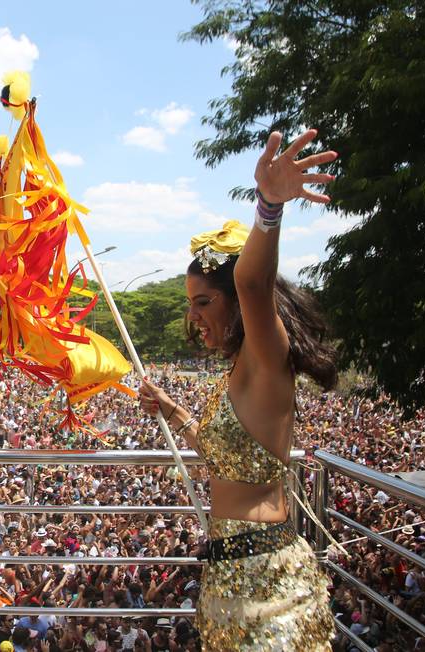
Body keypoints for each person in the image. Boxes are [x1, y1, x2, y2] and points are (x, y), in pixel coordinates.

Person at [139, 129, 339, 650]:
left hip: (269, 584)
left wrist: (268, 207)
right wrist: (172, 408)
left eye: (203, 302)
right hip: (228, 582)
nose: (193, 317)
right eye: (190, 304)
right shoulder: (237, 375)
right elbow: (224, 455)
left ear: (236, 301)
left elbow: (254, 282)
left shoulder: (267, 358)